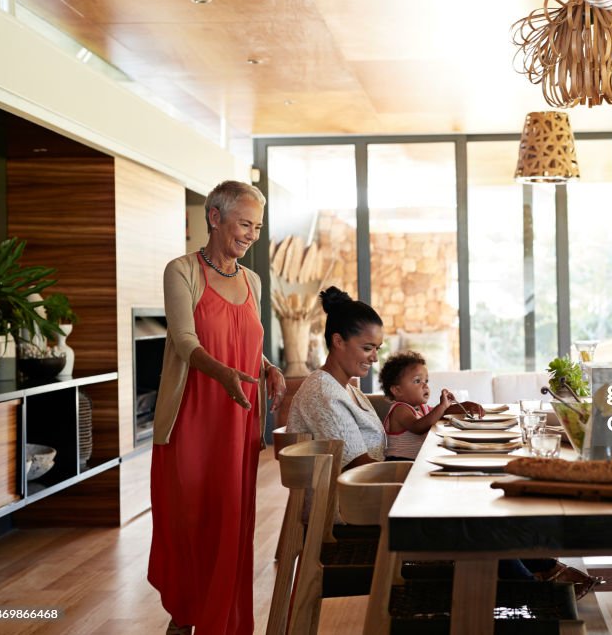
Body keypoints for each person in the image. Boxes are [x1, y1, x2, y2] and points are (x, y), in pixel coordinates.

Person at [148, 180, 286, 635]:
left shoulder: (253, 280)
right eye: (245, 223)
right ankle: (185, 613)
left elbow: (244, 339)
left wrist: (267, 366)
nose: (252, 235)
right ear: (214, 217)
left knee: (230, 519)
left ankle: (219, 621)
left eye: (258, 227)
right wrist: (224, 372)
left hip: (238, 415)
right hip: (193, 415)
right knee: (191, 516)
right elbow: (186, 341)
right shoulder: (181, 271)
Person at [286, 286, 387, 471]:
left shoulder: (346, 389)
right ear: (338, 341)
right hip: (347, 497)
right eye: (367, 348)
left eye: (377, 349)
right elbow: (359, 467)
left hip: (368, 490)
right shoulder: (324, 393)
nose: (375, 358)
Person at [378, 349, 478, 461]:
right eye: (417, 381)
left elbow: (442, 413)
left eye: (426, 381)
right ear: (397, 390)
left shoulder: (421, 408)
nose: (425, 385)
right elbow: (418, 427)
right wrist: (442, 406)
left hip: (415, 462)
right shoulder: (400, 409)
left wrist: (464, 406)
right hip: (399, 464)